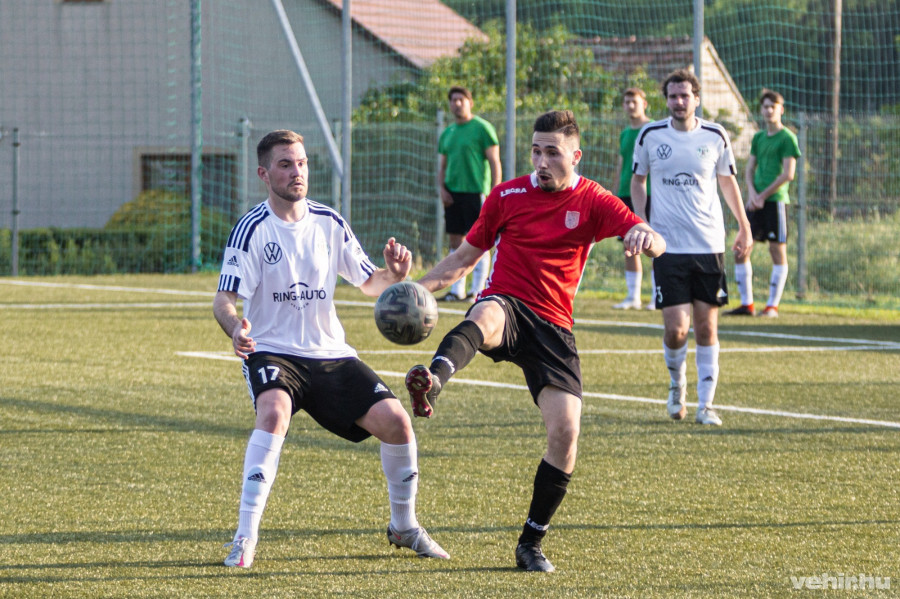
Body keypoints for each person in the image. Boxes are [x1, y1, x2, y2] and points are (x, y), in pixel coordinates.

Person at [405, 111, 666, 572]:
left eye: (552, 153)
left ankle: (530, 543)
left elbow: (652, 240)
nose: (541, 162)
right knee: (484, 313)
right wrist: (413, 291)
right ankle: (435, 379)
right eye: (536, 151)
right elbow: (463, 259)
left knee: (565, 433)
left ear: (575, 156)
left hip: (554, 326)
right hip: (507, 303)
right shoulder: (506, 196)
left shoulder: (593, 199)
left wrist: (645, 234)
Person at [214, 130, 448, 568]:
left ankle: (404, 526)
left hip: (330, 354)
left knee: (398, 423)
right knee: (274, 413)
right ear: (264, 174)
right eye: (285, 164)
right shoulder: (251, 229)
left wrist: (394, 275)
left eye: (302, 163)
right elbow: (223, 299)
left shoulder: (329, 222)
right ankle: (245, 537)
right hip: (272, 351)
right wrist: (235, 329)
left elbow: (370, 283)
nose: (297, 172)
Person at [630, 69, 753, 427]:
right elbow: (638, 181)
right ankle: (676, 387)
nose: (679, 102)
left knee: (707, 328)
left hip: (709, 244)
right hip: (667, 247)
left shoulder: (715, 135)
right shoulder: (650, 135)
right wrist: (641, 221)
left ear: (696, 99)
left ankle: (706, 405)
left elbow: (727, 182)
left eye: (685, 95)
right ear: (666, 100)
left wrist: (744, 225)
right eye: (673, 96)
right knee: (676, 330)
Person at [726, 89, 801, 318]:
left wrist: (763, 196)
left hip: (775, 202)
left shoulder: (787, 138)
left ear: (781, 110)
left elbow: (788, 174)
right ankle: (747, 304)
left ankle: (771, 306)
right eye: (765, 107)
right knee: (741, 249)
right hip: (755, 201)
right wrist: (752, 195)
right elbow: (749, 168)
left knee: (776, 250)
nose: (769, 110)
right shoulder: (758, 137)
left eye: (773, 107)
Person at [437, 85, 502, 302]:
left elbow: (494, 162)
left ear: (470, 103)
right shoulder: (447, 133)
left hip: (476, 193)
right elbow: (442, 166)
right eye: (453, 100)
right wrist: (442, 189)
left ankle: (477, 290)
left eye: (461, 100)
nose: (457, 104)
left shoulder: (482, 128)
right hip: (452, 194)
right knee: (456, 242)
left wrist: (494, 193)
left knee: (479, 242)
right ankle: (456, 291)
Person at [613, 87, 655, 310]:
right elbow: (622, 164)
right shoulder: (624, 133)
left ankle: (658, 295)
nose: (630, 106)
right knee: (629, 245)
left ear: (644, 104)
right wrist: (615, 190)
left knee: (655, 243)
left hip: (650, 193)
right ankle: (633, 297)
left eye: (634, 102)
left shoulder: (653, 129)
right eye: (627, 102)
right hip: (625, 193)